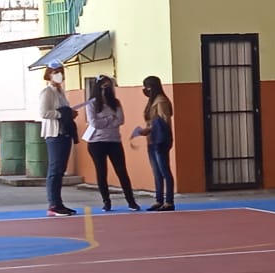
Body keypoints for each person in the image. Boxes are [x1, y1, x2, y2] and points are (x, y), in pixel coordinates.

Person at [83, 75, 140, 212]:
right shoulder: (91, 104)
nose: (106, 89)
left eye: (109, 86)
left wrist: (105, 121)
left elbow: (120, 120)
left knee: (122, 171)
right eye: (103, 86)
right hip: (96, 142)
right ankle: (106, 202)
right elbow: (94, 123)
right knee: (101, 172)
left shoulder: (116, 102)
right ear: (98, 87)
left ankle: (131, 201)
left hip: (114, 141)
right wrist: (110, 118)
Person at [38, 60, 78, 217]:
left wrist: (70, 113)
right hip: (55, 134)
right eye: (55, 72)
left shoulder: (61, 92)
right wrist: (62, 114)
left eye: (61, 72)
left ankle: (58, 203)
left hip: (64, 132)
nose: (59, 75)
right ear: (49, 75)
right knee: (55, 169)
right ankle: (53, 204)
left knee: (60, 170)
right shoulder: (47, 92)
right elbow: (44, 113)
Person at [139, 75, 175, 211]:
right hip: (152, 139)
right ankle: (158, 199)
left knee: (164, 171)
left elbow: (163, 123)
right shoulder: (152, 101)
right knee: (157, 172)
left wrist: (148, 129)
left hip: (160, 141)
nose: (145, 90)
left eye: (147, 87)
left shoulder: (160, 101)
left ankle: (169, 201)